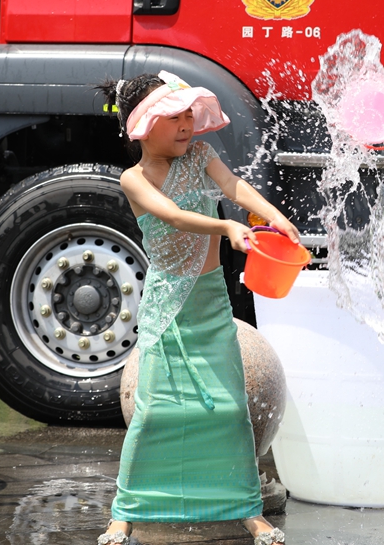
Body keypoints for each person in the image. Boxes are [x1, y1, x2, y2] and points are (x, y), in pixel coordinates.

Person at [96, 72, 297, 545]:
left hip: (209, 300)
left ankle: (249, 512)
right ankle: (124, 514)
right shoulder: (134, 178)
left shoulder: (203, 156)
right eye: (175, 116)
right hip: (168, 305)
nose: (187, 124)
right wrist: (226, 230)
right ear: (144, 125)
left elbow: (234, 187)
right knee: (153, 412)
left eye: (190, 114)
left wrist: (274, 216)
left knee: (229, 409)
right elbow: (170, 214)